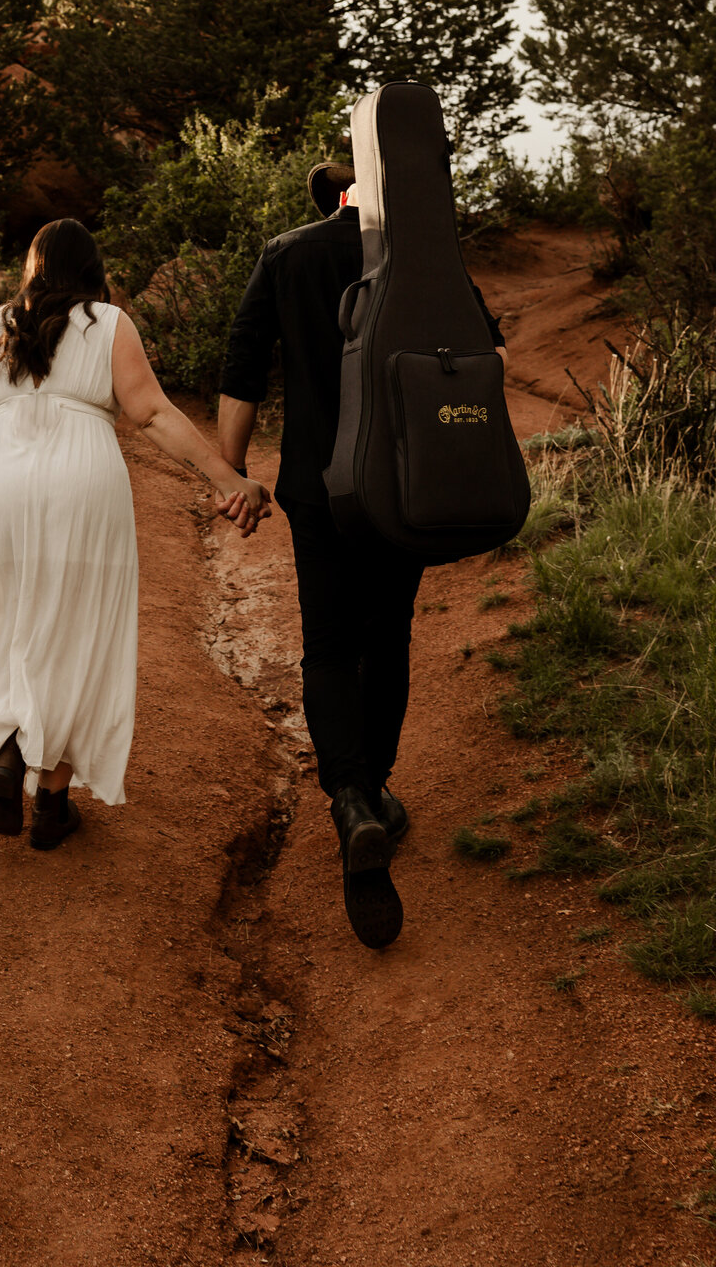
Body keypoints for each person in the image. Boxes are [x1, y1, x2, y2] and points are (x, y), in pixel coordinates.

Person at [216, 164, 507, 948]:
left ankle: (348, 797)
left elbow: (243, 367)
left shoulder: (289, 253)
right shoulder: (425, 261)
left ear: (334, 199)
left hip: (317, 486)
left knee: (329, 642)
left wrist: (235, 477)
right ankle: (373, 790)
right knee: (389, 634)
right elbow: (489, 354)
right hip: (402, 485)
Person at [0, 218, 271, 851]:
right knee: (81, 634)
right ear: (92, 270)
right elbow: (150, 413)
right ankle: (52, 805)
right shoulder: (106, 323)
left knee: (9, 621)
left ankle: (8, 751)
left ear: (32, 269)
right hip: (82, 484)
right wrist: (225, 478)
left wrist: (7, 459)